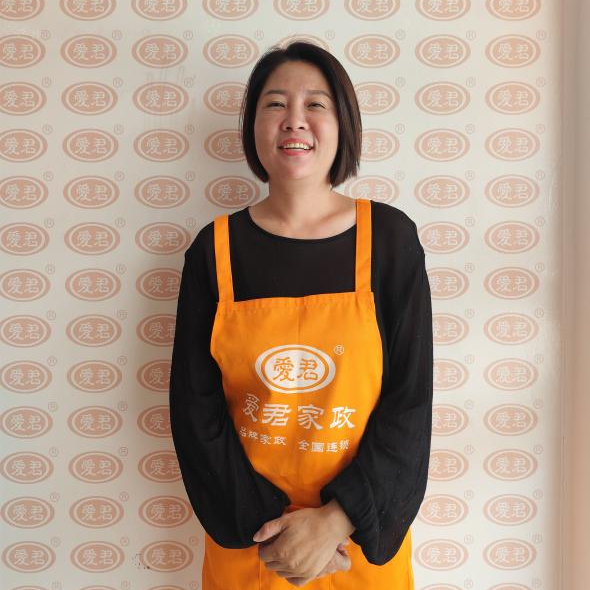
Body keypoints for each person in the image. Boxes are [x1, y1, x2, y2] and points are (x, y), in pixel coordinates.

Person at [169, 40, 433, 589]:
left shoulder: (389, 240)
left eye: (316, 104)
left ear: (343, 123)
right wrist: (276, 534)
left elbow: (409, 400)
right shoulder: (214, 251)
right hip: (252, 540)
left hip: (356, 540)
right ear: (253, 127)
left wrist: (337, 520)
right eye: (275, 104)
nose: (295, 120)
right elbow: (195, 410)